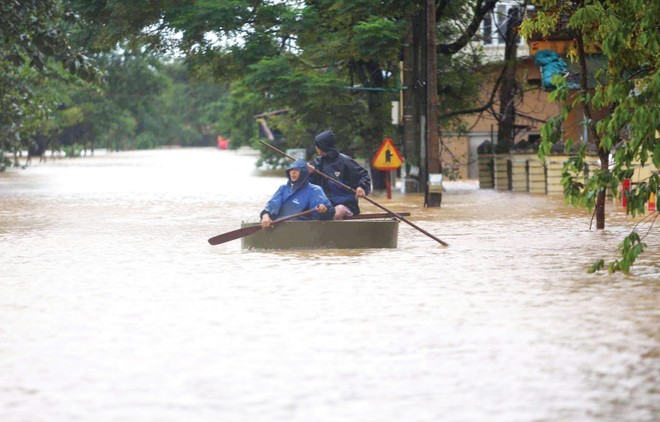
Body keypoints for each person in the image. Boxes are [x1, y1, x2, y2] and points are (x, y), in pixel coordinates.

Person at [309, 130, 372, 219]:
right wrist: (310, 174)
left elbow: (363, 176)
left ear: (322, 146)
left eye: (317, 145)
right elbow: (310, 186)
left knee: (339, 211)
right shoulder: (317, 163)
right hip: (324, 206)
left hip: (346, 206)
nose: (316, 147)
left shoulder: (345, 161)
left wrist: (361, 187)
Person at [260, 158, 335, 228]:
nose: (292, 172)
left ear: (303, 173)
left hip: (302, 228)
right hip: (279, 226)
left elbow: (328, 212)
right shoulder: (283, 188)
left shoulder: (315, 190)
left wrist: (324, 209)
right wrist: (265, 215)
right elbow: (272, 205)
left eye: (296, 170)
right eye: (291, 170)